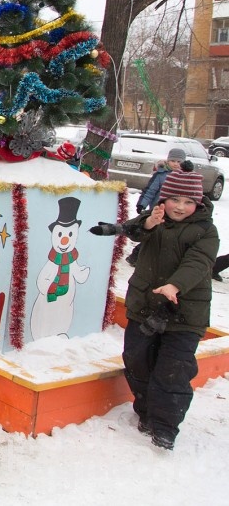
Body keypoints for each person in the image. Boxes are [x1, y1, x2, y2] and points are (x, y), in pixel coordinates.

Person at [89, 170, 217, 450]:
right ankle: (146, 412)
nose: (180, 207)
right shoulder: (155, 217)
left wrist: (175, 285)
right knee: (137, 360)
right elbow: (132, 231)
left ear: (198, 202)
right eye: (173, 199)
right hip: (145, 306)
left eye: (187, 201)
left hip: (183, 312)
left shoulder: (206, 230)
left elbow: (198, 262)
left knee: (173, 370)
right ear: (163, 199)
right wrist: (148, 223)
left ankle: (165, 427)